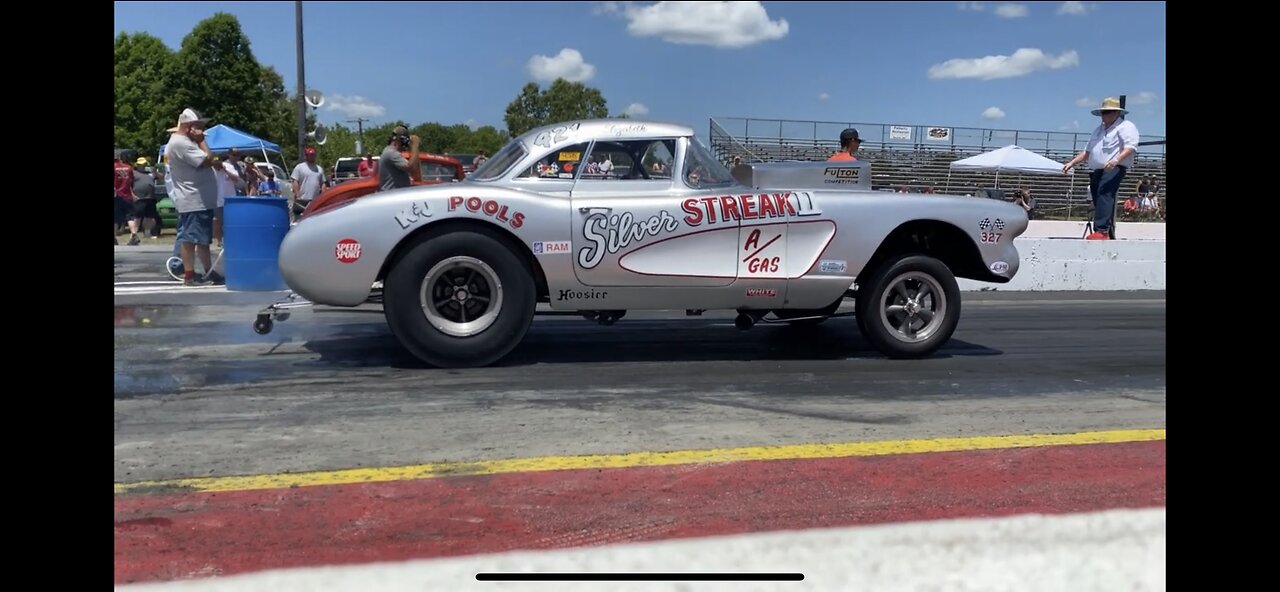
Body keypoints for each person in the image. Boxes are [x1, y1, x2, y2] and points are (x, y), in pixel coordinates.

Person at [1062, 97, 1139, 240]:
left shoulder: (1126, 126)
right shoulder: (1098, 130)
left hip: (1114, 167)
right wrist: (1072, 162)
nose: (1104, 115)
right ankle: (1107, 231)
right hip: (1098, 169)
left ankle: (1102, 230)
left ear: (1116, 113)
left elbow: (1130, 147)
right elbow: (1087, 151)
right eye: (1103, 112)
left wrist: (1115, 160)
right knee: (1098, 195)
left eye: (1108, 112)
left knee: (1105, 192)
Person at [164, 108, 225, 285]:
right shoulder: (182, 143)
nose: (202, 131)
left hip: (198, 198)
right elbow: (206, 159)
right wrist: (202, 141)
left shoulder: (182, 143)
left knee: (202, 239)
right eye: (199, 127)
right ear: (190, 127)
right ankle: (189, 274)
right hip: (193, 198)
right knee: (191, 238)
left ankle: (208, 271)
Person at [379, 126, 421, 191]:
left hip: (394, 194)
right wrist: (415, 145)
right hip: (392, 195)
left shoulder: (389, 152)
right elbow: (410, 167)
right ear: (400, 140)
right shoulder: (391, 153)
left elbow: (415, 172)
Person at [290, 147, 327, 219]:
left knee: (314, 219)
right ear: (306, 156)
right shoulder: (299, 167)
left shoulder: (319, 169)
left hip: (315, 200)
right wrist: (298, 195)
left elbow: (323, 183)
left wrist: (324, 196)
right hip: (302, 199)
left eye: (313, 155)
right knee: (300, 220)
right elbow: (295, 181)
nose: (312, 156)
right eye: (310, 155)